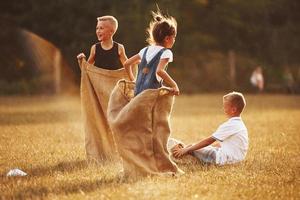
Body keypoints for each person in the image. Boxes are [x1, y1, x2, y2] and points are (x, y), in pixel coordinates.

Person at [172, 92, 248, 165]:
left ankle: (177, 157)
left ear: (233, 110)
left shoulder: (230, 125)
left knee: (191, 148)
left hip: (223, 159)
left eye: (225, 107)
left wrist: (186, 150)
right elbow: (223, 144)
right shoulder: (240, 125)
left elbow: (208, 141)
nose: (223, 109)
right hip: (235, 158)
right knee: (196, 147)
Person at [123, 10, 179, 96]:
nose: (174, 40)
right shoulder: (166, 53)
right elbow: (159, 71)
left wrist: (133, 80)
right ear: (167, 38)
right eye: (174, 37)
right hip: (151, 97)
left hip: (137, 94)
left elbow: (127, 64)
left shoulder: (144, 50)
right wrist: (174, 85)